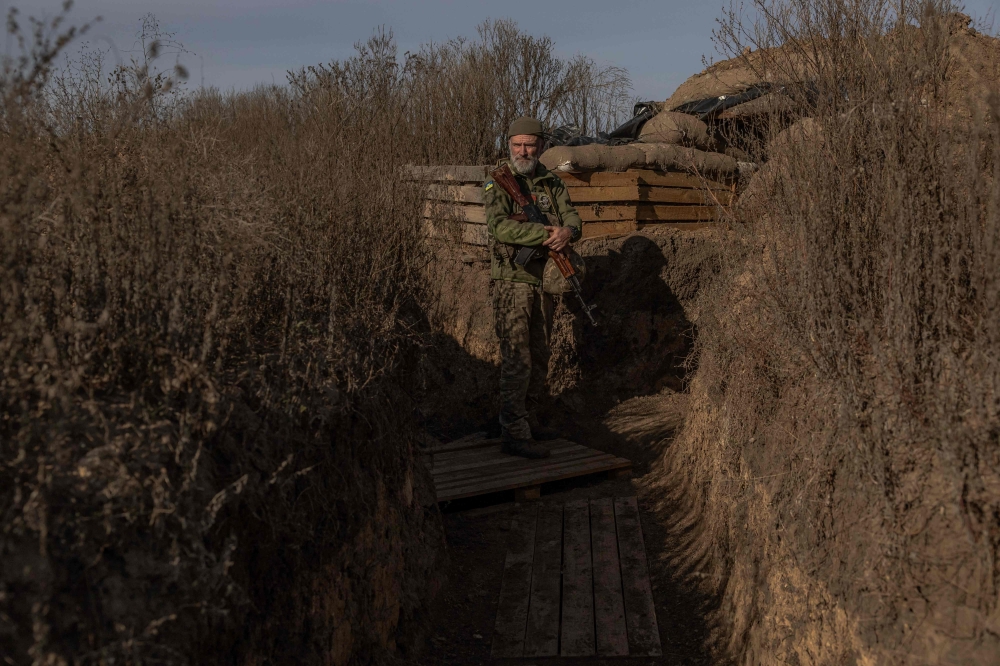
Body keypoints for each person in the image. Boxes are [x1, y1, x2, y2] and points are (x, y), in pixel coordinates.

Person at [483, 116, 583, 459]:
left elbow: (572, 217)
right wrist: (544, 235)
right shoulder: (498, 182)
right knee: (517, 359)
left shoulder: (551, 182)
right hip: (513, 280)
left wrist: (566, 232)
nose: (523, 151)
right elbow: (499, 228)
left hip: (545, 280)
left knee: (540, 356)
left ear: (541, 146)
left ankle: (530, 421)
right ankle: (513, 432)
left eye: (529, 145)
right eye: (517, 145)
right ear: (508, 145)